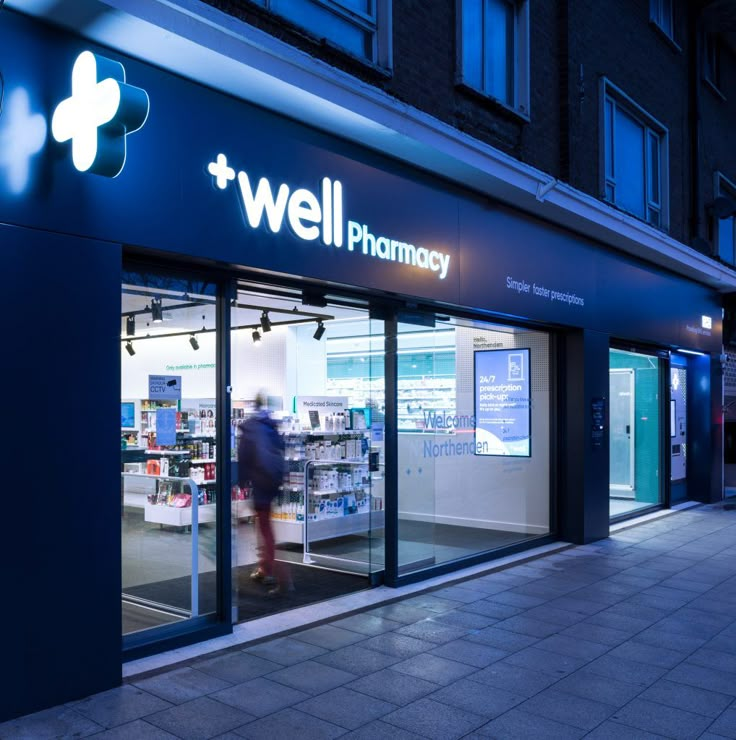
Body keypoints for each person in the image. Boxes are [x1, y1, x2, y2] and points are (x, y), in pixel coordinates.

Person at [237, 393, 288, 594]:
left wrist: (241, 482)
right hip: (273, 481)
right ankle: (265, 566)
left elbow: (243, 458)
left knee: (264, 526)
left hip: (260, 481)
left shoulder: (249, 428)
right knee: (264, 523)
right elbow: (281, 448)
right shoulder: (271, 425)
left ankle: (268, 570)